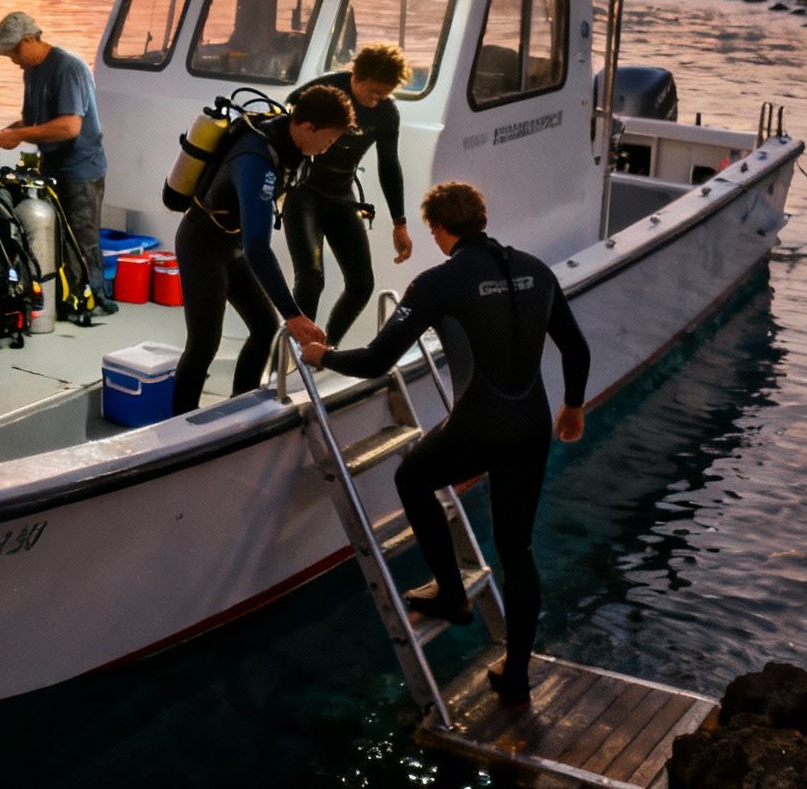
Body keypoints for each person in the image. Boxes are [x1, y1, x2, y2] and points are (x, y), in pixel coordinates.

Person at [301, 181, 588, 707]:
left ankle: (452, 595)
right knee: (517, 550)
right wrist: (573, 405)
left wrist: (323, 356)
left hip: (480, 426)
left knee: (412, 476)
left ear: (439, 228)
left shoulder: (438, 281)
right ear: (482, 217)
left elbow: (374, 362)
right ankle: (517, 675)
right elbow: (576, 347)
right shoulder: (536, 269)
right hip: (531, 427)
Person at [171, 84, 355, 417]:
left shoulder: (290, 143)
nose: (328, 148)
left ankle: (240, 408)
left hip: (233, 245)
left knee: (264, 329)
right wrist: (294, 316)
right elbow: (259, 246)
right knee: (203, 344)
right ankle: (178, 426)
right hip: (202, 244)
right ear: (308, 127)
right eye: (328, 139)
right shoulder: (257, 159)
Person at [0, 10, 115, 311]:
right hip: (51, 168)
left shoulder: (68, 68)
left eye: (14, 51)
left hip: (82, 169)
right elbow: (32, 119)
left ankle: (93, 298)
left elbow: (69, 127)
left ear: (30, 39)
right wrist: (2, 136)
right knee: (55, 237)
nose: (13, 59)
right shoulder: (32, 71)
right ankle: (66, 295)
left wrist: (21, 135)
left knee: (82, 238)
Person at [285, 45, 415, 345]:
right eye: (373, 91)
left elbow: (389, 165)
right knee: (311, 280)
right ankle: (292, 355)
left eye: (385, 94)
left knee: (362, 285)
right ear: (357, 75)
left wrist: (400, 223)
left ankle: (324, 350)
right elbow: (287, 116)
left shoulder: (385, 113)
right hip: (304, 194)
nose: (377, 99)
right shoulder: (327, 89)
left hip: (341, 195)